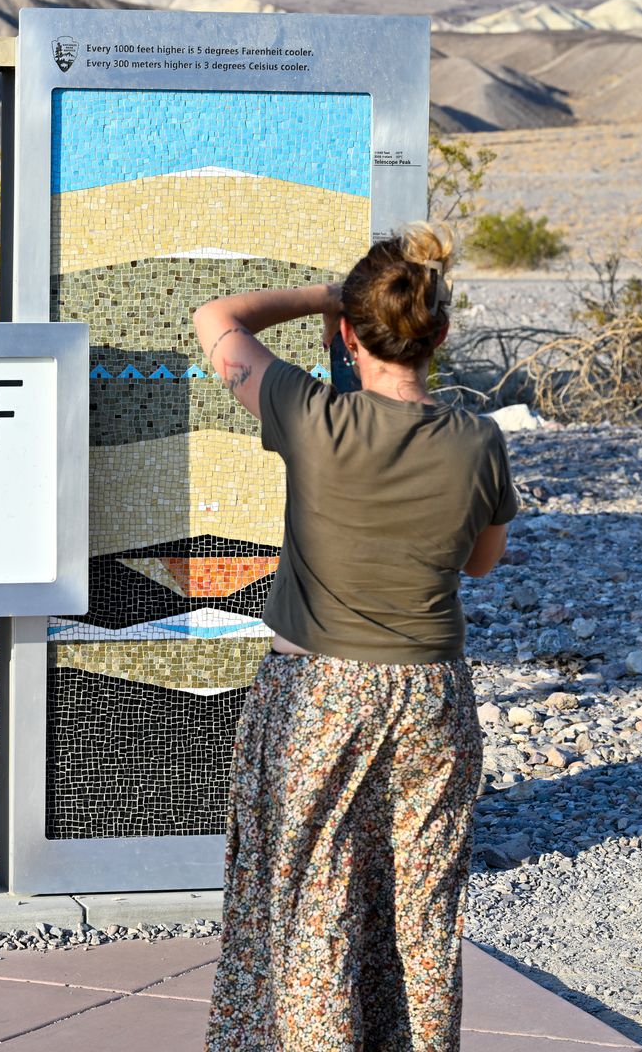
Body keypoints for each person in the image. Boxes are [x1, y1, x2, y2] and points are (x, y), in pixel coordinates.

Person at [193, 222, 517, 1051]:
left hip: (318, 696)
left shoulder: (311, 416)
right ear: (439, 335)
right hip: (431, 699)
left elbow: (216, 317)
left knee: (312, 909)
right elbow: (483, 563)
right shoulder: (479, 442)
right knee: (419, 910)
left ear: (349, 332)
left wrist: (325, 296)